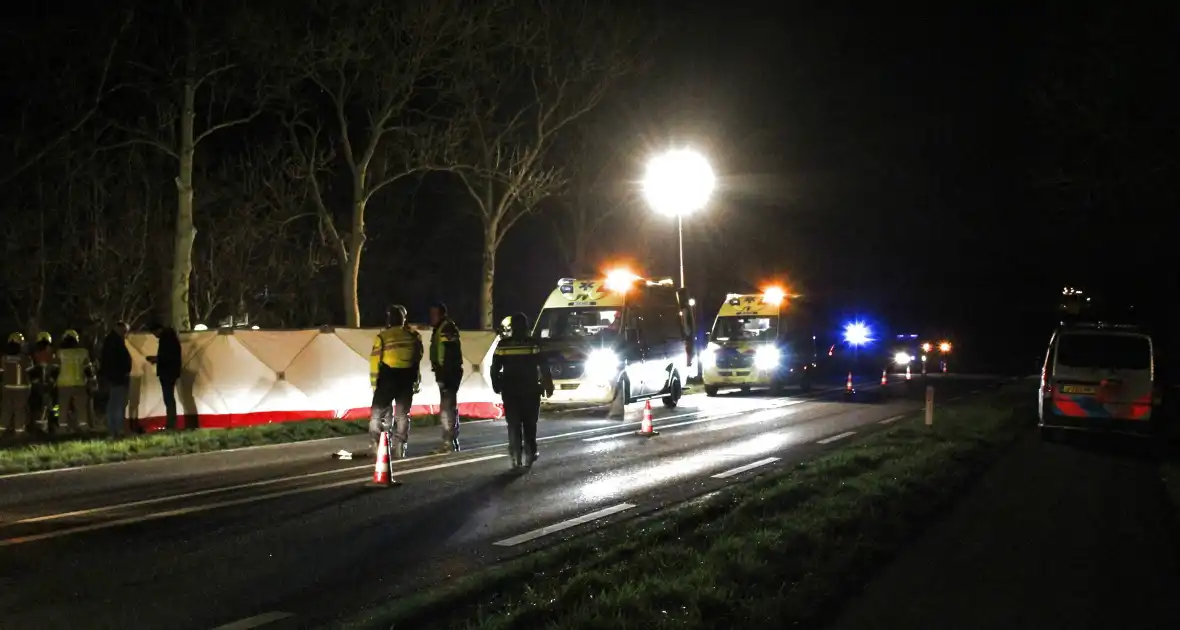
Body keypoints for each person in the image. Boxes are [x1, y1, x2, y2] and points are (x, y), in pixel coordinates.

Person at [490, 312, 554, 469]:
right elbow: (544, 366)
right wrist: (548, 385)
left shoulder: (503, 345)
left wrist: (496, 384)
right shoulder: (532, 344)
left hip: (510, 390)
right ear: (526, 327)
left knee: (513, 424)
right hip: (530, 390)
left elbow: (495, 368)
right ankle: (530, 452)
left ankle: (515, 454)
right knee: (530, 424)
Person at [370, 305, 423, 459]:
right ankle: (400, 447)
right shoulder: (413, 336)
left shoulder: (382, 337)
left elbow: (375, 362)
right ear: (403, 319)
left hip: (387, 379)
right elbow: (417, 358)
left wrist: (374, 384)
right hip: (406, 379)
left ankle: (377, 445)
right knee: (402, 415)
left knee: (377, 414)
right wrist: (416, 379)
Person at [429, 302, 463, 453]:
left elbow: (449, 354)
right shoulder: (442, 328)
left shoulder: (446, 328)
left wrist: (443, 375)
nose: (432, 317)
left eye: (434, 314)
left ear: (442, 314)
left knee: (447, 409)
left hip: (449, 374)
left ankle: (449, 442)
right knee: (448, 407)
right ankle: (451, 441)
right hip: (447, 373)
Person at [53, 329, 96, 433]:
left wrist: (51, 382)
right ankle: (83, 427)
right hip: (79, 383)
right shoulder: (83, 353)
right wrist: (93, 381)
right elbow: (88, 369)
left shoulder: (59, 353)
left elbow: (55, 369)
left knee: (62, 407)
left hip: (63, 384)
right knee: (81, 407)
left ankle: (62, 428)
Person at [146, 322, 182, 430]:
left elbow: (167, 356)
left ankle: (171, 423)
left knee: (168, 398)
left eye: (154, 333)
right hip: (171, 371)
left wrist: (156, 359)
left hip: (167, 372)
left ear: (158, 330)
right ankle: (171, 422)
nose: (155, 336)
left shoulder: (166, 339)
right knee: (169, 398)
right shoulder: (171, 337)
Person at [100, 321, 131, 438]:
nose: (125, 334)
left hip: (112, 377)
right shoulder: (116, 342)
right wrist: (125, 371)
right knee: (118, 404)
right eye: (124, 331)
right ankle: (117, 430)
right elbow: (121, 360)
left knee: (113, 403)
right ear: (119, 329)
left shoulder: (109, 341)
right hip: (118, 377)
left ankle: (113, 429)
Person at [1, 333, 33, 435]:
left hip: (7, 387)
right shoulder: (24, 358)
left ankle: (1, 431)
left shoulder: (4, 358)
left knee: (6, 410)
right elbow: (30, 368)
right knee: (20, 411)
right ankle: (19, 433)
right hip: (21, 388)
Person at [29, 332, 57, 433]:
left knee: (39, 406)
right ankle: (52, 423)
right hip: (49, 384)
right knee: (52, 405)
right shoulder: (52, 354)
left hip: (38, 384)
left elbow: (31, 369)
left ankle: (39, 426)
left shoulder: (35, 354)